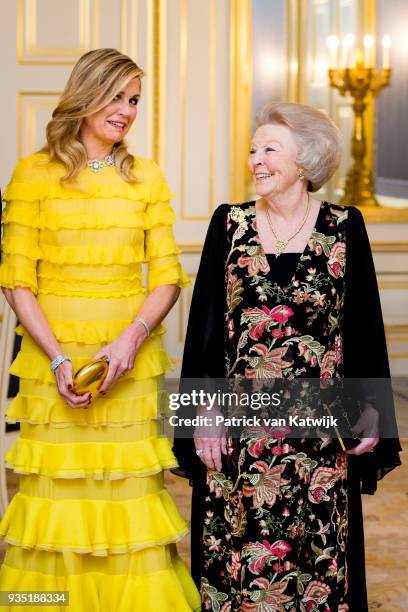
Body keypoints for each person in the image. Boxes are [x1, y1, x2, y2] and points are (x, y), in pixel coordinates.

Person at [173, 102, 401, 611]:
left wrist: (369, 407)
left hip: (320, 437)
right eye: (252, 150)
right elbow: (204, 331)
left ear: (306, 159)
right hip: (241, 436)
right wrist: (201, 415)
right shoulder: (227, 225)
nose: (256, 160)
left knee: (317, 568)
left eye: (269, 149)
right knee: (238, 569)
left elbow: (363, 330)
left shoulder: (345, 227)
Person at [0, 48, 200, 611]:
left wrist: (130, 340)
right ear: (85, 95)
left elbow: (166, 278)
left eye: (134, 100)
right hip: (51, 365)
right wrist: (60, 360)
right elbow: (17, 282)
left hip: (127, 367)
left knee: (129, 498)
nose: (126, 111)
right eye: (116, 96)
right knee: (55, 503)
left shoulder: (144, 178)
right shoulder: (33, 174)